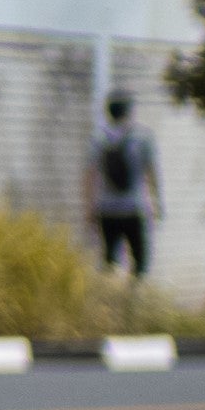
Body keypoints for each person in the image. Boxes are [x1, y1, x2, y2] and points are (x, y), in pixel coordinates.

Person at [87, 91, 160, 277]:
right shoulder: (143, 137)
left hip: (107, 209)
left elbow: (90, 175)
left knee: (109, 264)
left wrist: (90, 208)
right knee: (140, 264)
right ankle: (133, 293)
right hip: (133, 208)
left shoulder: (99, 138)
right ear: (129, 111)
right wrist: (157, 203)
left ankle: (110, 293)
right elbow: (152, 172)